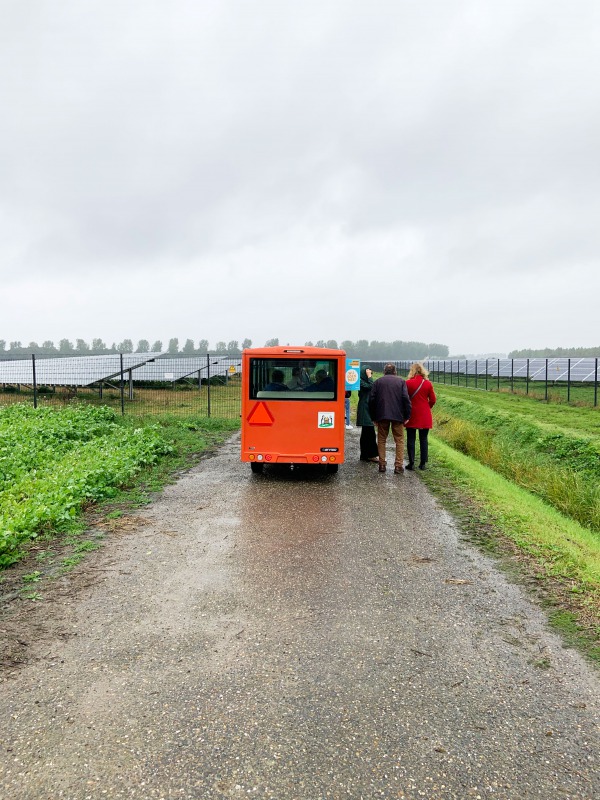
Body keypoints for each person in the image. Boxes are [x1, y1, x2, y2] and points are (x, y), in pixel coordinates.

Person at [368, 363, 411, 474]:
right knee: (399, 440)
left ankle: (382, 464)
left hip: (382, 415)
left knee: (382, 440)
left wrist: (373, 416)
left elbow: (371, 400)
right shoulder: (401, 382)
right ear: (395, 371)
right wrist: (407, 415)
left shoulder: (378, 382)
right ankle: (398, 466)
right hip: (398, 415)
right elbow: (406, 399)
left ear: (384, 371)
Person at [404, 362, 437, 470]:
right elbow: (433, 399)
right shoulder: (428, 384)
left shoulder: (408, 383)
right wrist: (427, 407)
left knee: (411, 438)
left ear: (412, 371)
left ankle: (411, 463)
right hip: (424, 414)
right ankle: (423, 464)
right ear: (423, 371)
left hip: (412, 414)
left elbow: (404, 399)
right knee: (423, 439)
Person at [357, 365, 379, 462]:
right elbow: (371, 386)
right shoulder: (360, 381)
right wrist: (369, 377)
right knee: (369, 433)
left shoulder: (362, 381)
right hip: (364, 408)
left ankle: (365, 454)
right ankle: (370, 455)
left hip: (366, 408)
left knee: (367, 433)